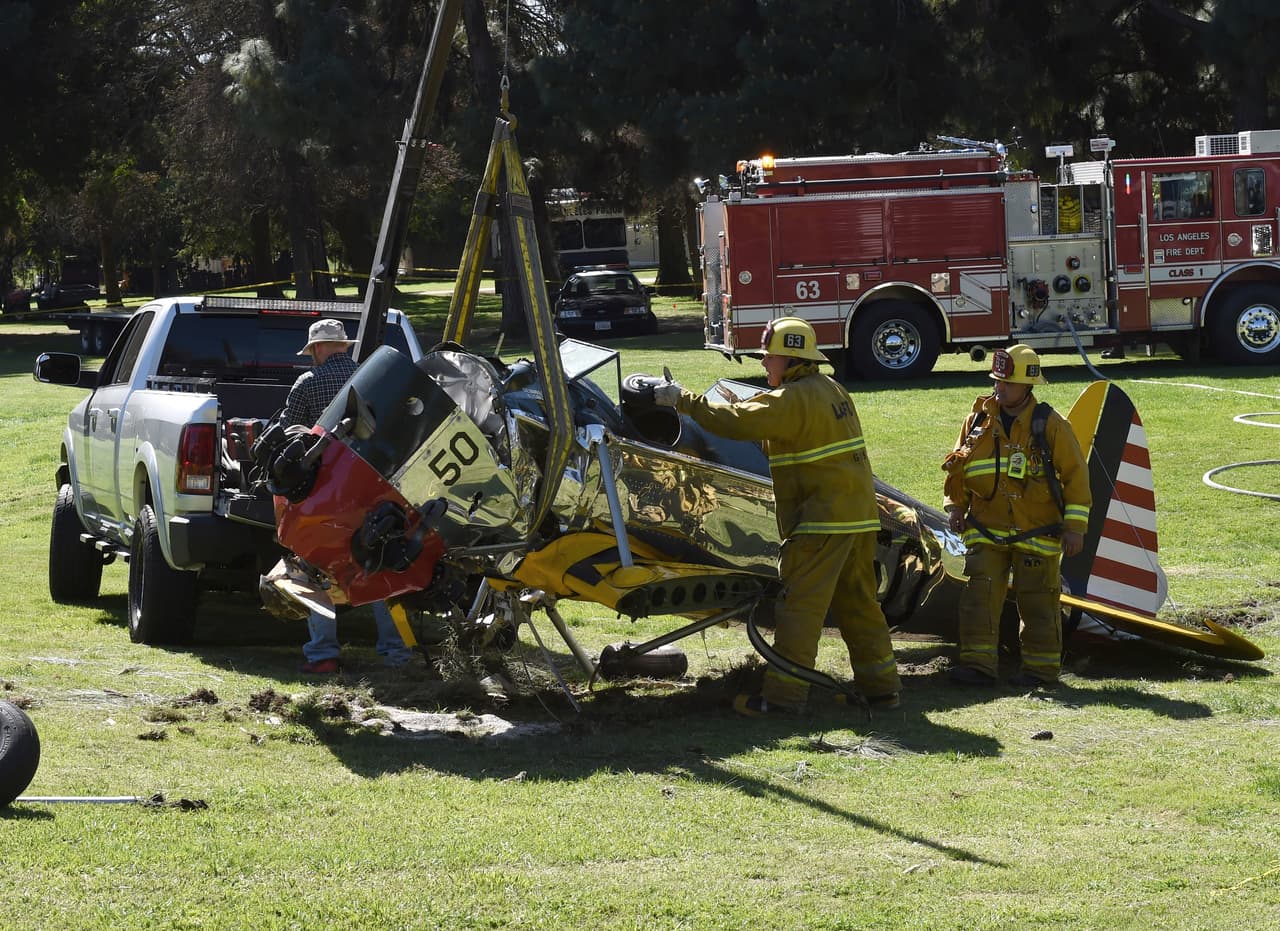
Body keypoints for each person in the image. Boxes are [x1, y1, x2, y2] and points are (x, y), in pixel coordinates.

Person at [654, 317, 901, 716]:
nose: (765, 363)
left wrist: (681, 399)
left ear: (790, 359)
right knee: (860, 605)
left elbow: (731, 423)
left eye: (770, 357)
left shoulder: (791, 398)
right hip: (858, 518)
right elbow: (790, 438)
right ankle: (882, 689)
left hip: (822, 522)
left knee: (800, 608)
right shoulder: (830, 389)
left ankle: (784, 699)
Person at [942, 344, 1091, 688]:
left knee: (1038, 602)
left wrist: (1075, 528)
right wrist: (955, 507)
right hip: (986, 530)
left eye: (1007, 383)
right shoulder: (977, 421)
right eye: (997, 381)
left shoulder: (1052, 426)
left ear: (1028, 385)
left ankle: (1040, 672)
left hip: (1037, 532)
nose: (999, 388)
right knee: (979, 597)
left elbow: (1076, 477)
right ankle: (978, 667)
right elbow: (957, 470)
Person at [280, 318, 414, 675]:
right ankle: (396, 654)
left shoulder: (309, 383)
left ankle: (323, 654)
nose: (312, 358)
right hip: (377, 490)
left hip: (327, 494)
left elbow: (287, 434)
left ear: (319, 348)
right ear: (343, 346)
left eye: (312, 351)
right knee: (378, 564)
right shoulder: (374, 381)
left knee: (316, 569)